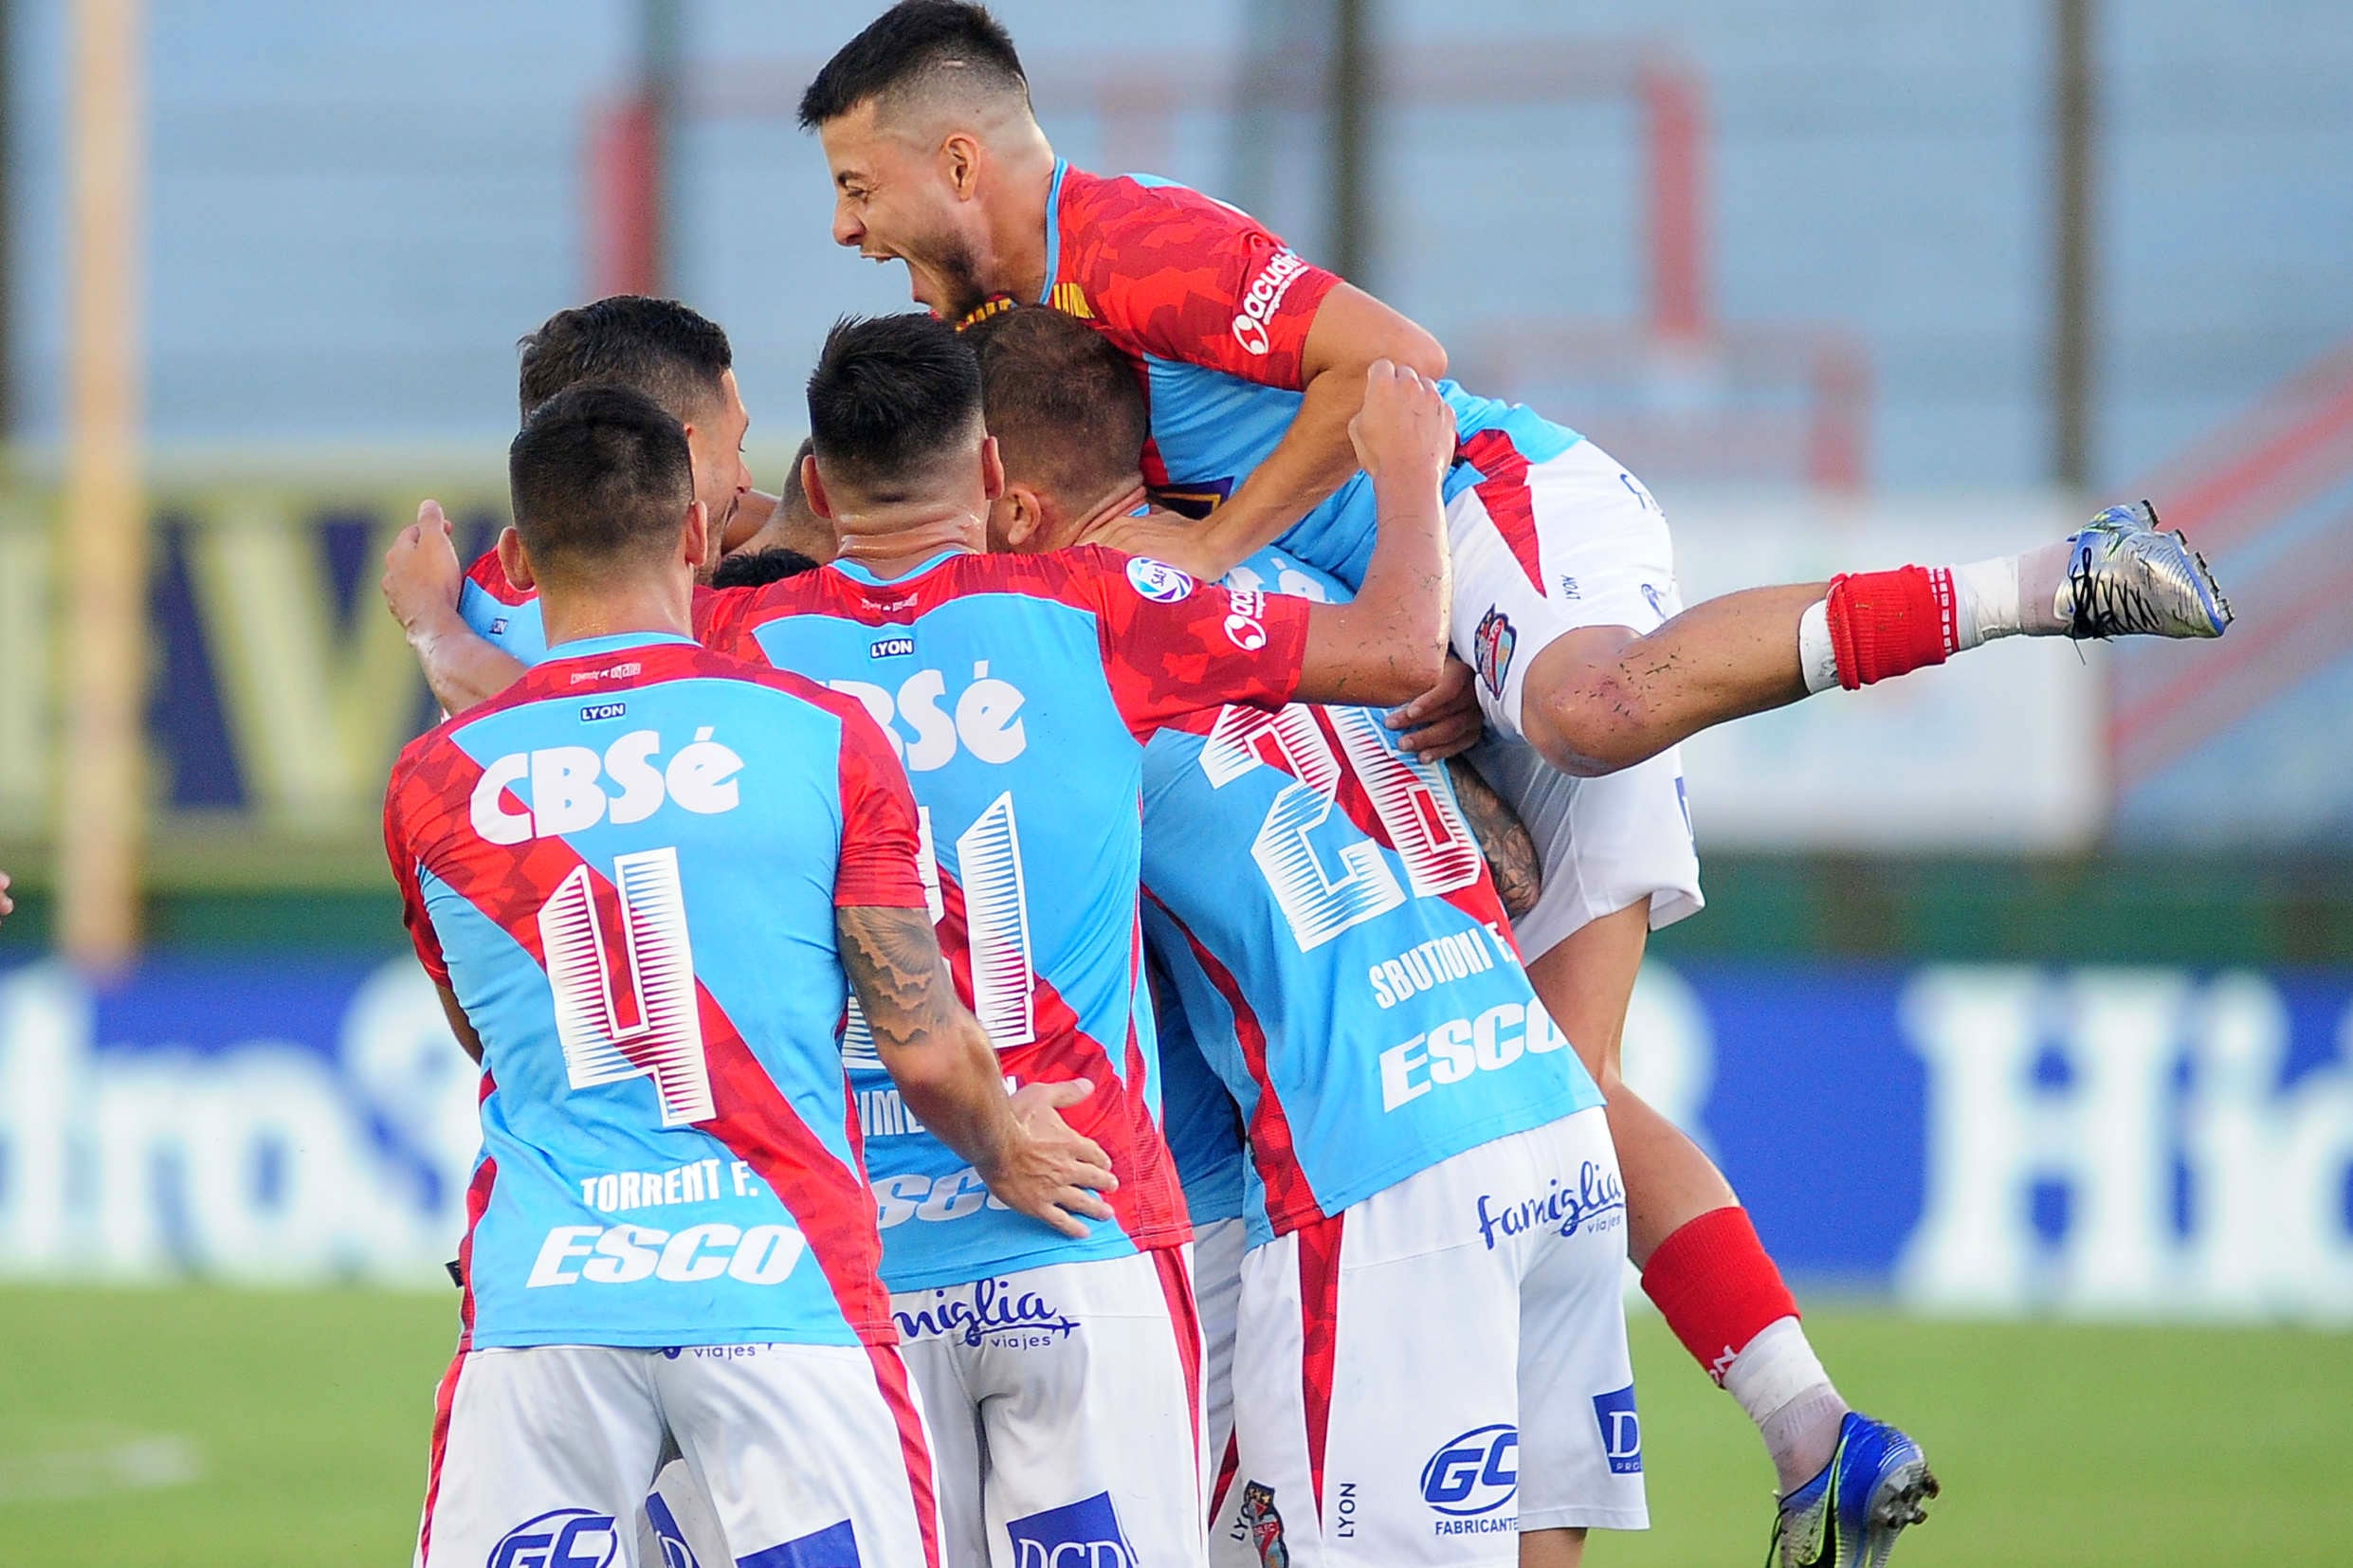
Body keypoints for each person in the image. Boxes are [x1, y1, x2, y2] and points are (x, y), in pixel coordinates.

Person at [797, 9, 2238, 1560]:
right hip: (1416, 644)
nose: (843, 225)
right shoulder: (1047, 335)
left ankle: (2054, 579)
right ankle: (1812, 1421)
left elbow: (1398, 369)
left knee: (1599, 702)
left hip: (1497, 509)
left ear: (957, 155)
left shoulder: (1123, 240)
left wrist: (1247, 556)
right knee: (1557, 1107)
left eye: (856, 184)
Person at [399, 312, 1456, 1567]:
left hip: (858, 1255)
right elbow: (1398, 652)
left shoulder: (746, 656)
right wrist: (1404, 473)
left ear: (813, 487)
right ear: (998, 477)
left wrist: (445, 633)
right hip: (1075, 1210)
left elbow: (581, 697)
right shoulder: (1097, 607)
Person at [383, 384, 1115, 1566]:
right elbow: (919, 1042)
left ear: (517, 555)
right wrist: (1002, 1138)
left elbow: (489, 1031)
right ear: (692, 535)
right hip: (785, 1288)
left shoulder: (434, 778)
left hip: (548, 1301)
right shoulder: (818, 731)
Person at [970, 301, 1636, 1565]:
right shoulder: (1313, 588)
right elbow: (1505, 857)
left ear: (1003, 488)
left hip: (1374, 1172)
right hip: (1546, 1117)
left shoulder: (1063, 640)